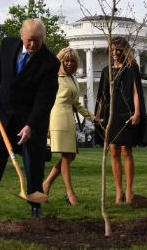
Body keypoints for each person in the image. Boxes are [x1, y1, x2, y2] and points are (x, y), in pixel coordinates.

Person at [0, 18, 60, 218]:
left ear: (43, 38)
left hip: (31, 118)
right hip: (4, 114)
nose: (33, 45)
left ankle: (36, 207)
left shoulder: (50, 63)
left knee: (34, 164)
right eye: (29, 40)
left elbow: (45, 99)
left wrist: (30, 125)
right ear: (21, 36)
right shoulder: (7, 45)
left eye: (38, 41)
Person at [95, 36, 147, 204]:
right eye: (112, 50)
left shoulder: (131, 68)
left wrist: (137, 113)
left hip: (126, 113)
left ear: (124, 50)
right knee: (113, 152)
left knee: (126, 151)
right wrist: (98, 114)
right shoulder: (107, 71)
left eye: (117, 50)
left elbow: (136, 92)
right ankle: (118, 192)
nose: (114, 53)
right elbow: (102, 95)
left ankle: (129, 191)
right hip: (111, 115)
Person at [42, 48, 99, 206]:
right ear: (60, 60)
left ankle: (46, 184)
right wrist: (45, 125)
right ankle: (70, 193)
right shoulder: (53, 77)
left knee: (70, 156)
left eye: (72, 61)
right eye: (65, 60)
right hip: (56, 118)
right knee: (67, 156)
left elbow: (76, 104)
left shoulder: (72, 78)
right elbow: (45, 102)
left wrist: (92, 118)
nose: (68, 63)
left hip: (69, 119)